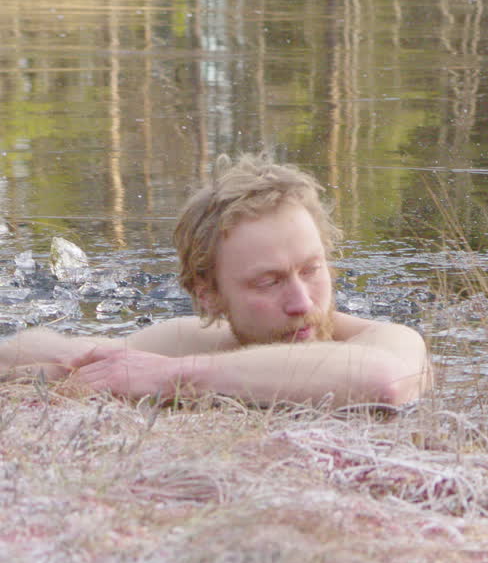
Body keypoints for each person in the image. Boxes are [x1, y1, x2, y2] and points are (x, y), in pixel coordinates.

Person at [0, 154, 430, 408]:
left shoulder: (390, 339)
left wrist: (172, 377)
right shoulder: (202, 341)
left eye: (311, 270)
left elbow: (383, 383)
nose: (302, 303)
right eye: (268, 282)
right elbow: (31, 352)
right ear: (208, 296)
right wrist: (72, 365)